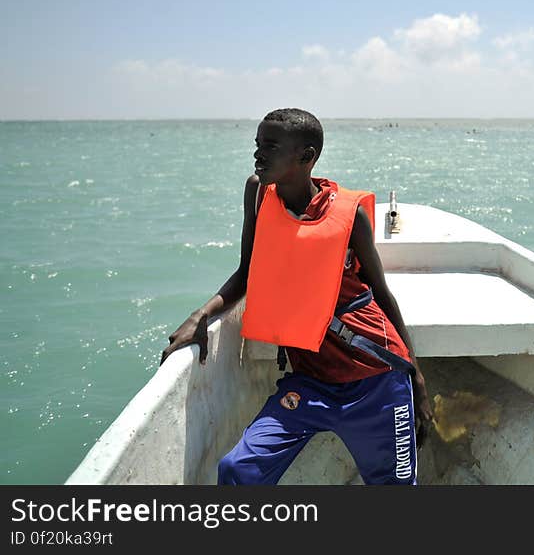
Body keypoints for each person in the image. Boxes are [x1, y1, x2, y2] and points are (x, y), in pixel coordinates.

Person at [160, 108, 433, 485]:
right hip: (310, 380)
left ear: (307, 157)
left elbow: (380, 293)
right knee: (238, 470)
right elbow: (247, 272)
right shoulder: (257, 193)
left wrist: (416, 376)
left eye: (270, 147)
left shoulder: (350, 216)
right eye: (257, 145)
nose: (258, 155)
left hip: (376, 379)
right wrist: (201, 315)